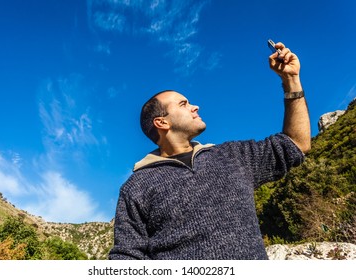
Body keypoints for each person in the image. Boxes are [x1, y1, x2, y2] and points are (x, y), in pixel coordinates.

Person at [109, 42, 311, 260]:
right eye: (183, 104)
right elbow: (127, 258)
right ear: (162, 122)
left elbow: (296, 143)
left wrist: (291, 80)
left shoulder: (233, 156)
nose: (195, 107)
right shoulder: (136, 187)